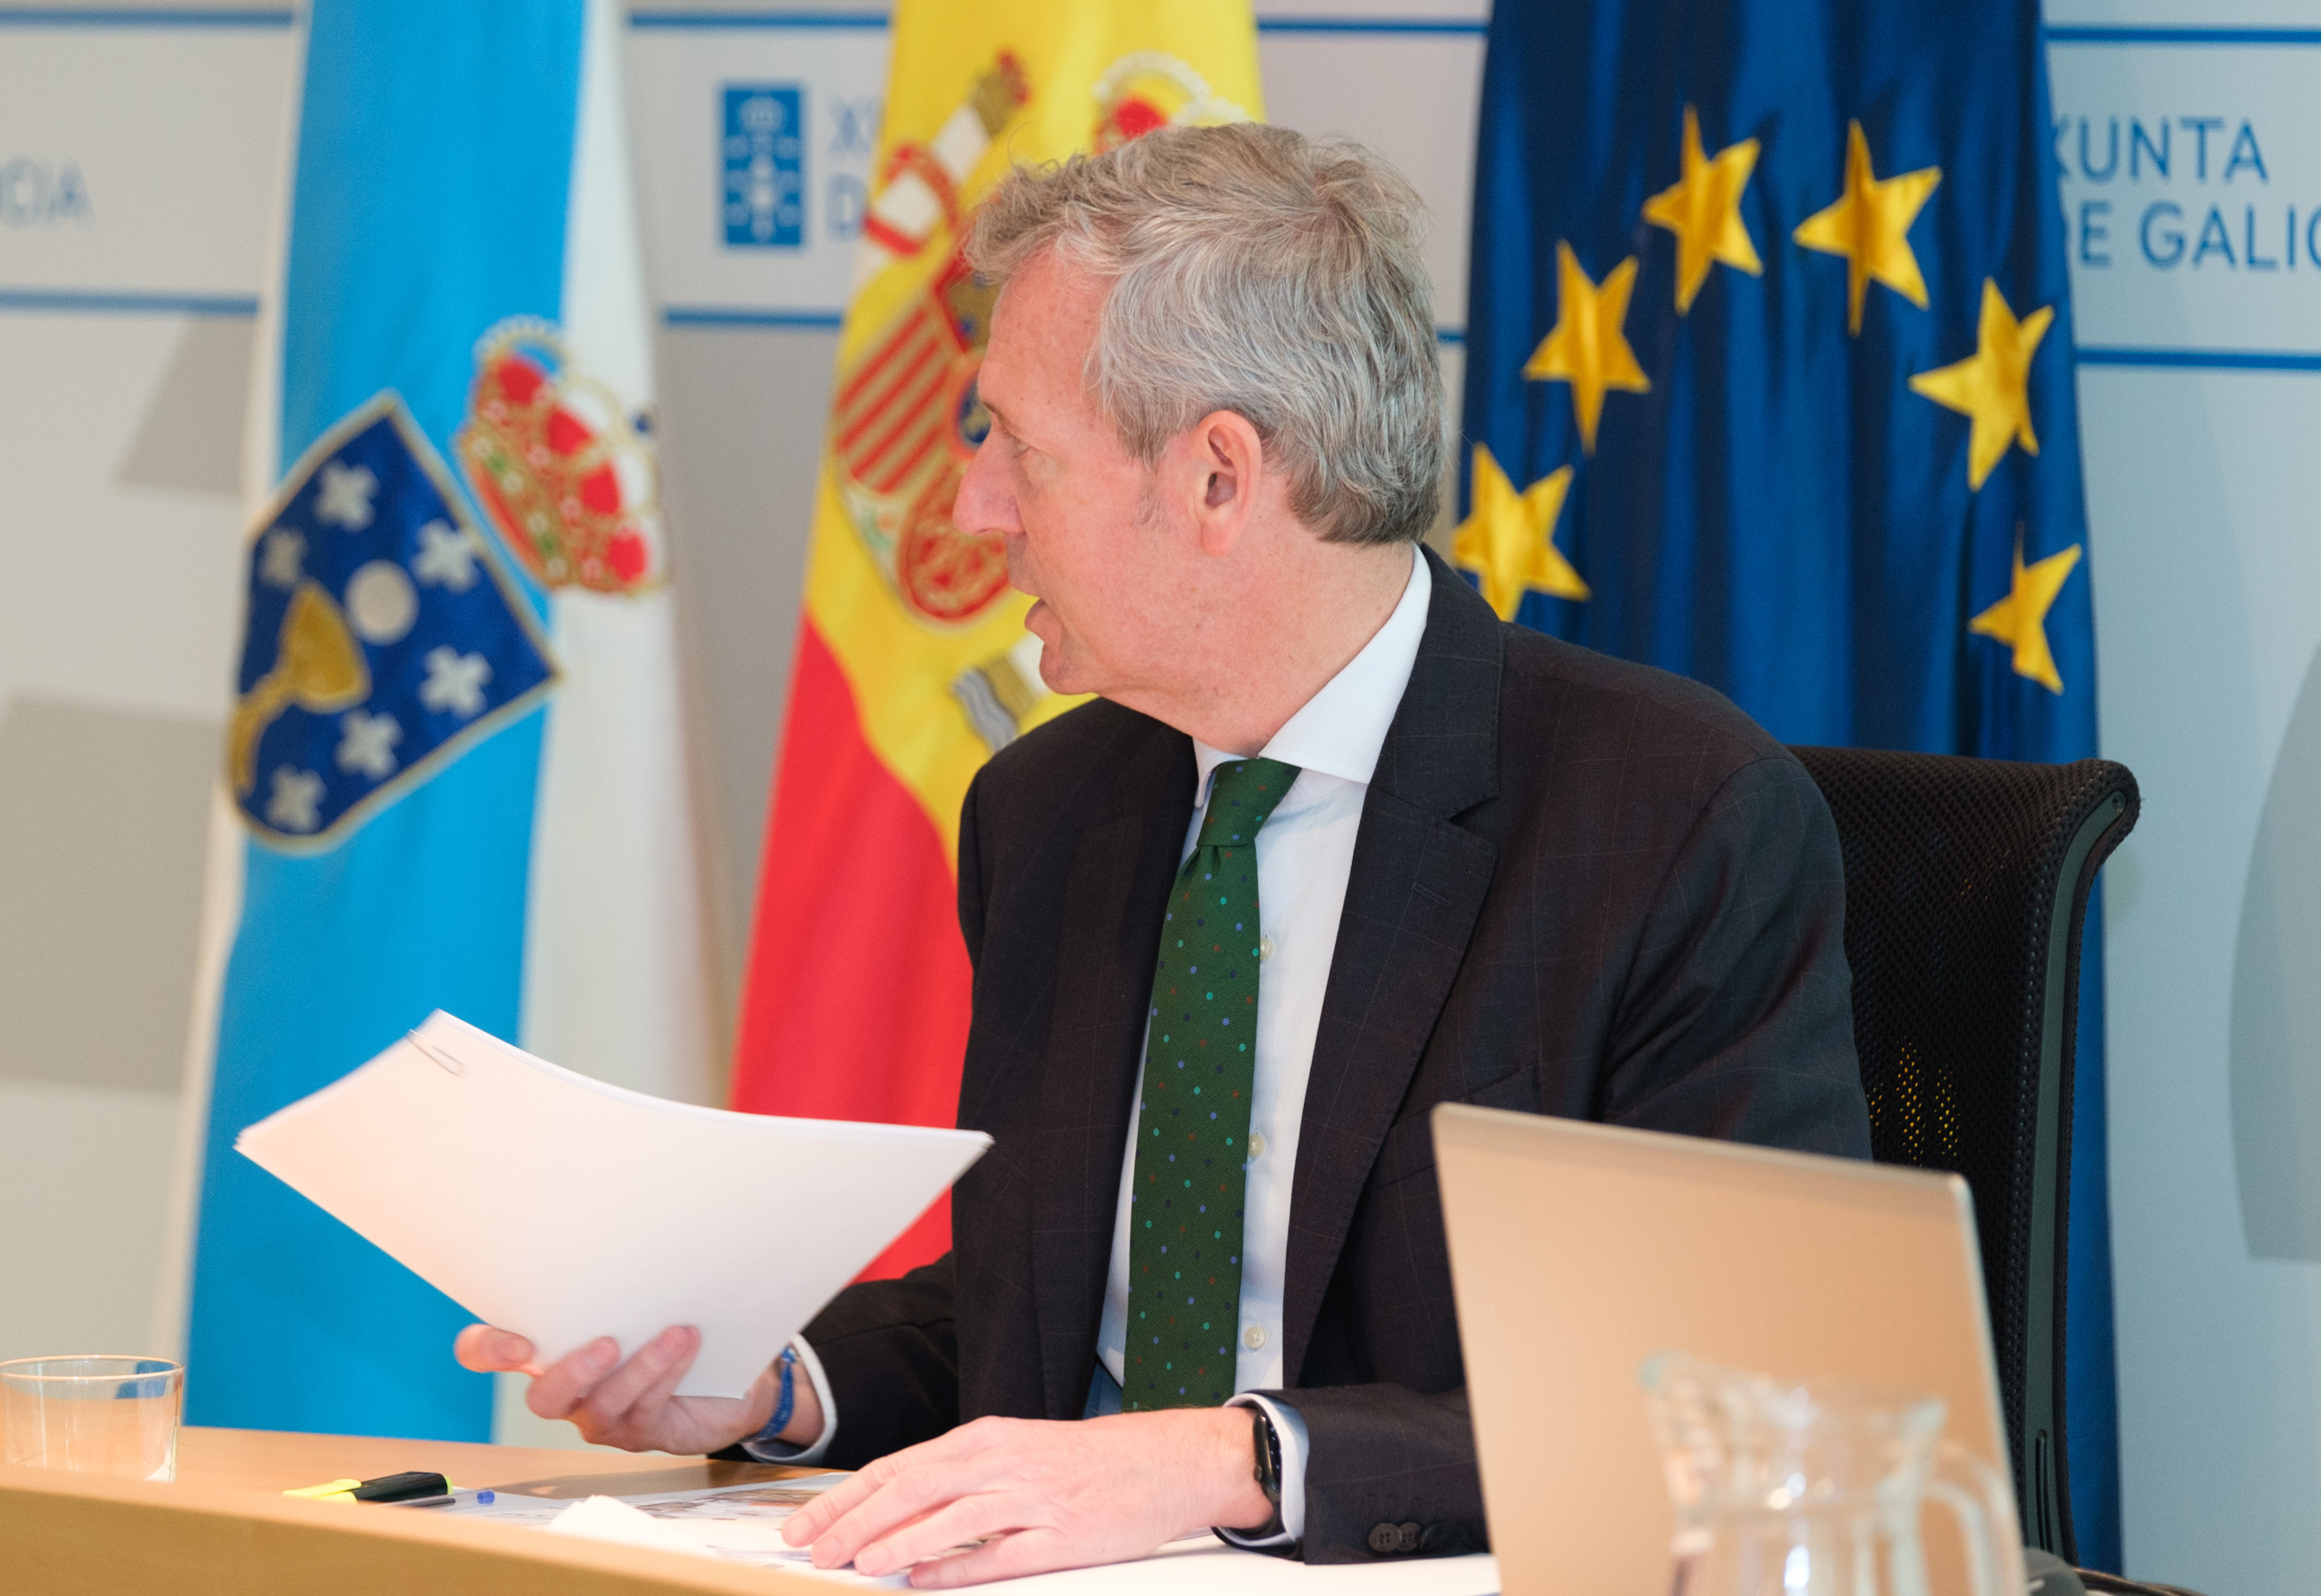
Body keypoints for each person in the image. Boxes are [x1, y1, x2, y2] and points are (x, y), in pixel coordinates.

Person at [457, 123, 1872, 1583]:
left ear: (1217, 478)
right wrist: (771, 1382)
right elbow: (1039, 1312)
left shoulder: (1664, 816)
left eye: (1016, 448)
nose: (971, 509)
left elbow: (1730, 1393)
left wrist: (1224, 1461)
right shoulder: (1048, 809)